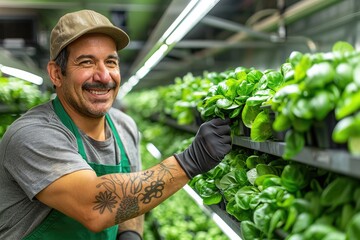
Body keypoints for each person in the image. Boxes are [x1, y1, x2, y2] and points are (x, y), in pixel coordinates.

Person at [0, 9, 232, 240]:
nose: (103, 76)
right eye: (86, 62)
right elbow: (93, 205)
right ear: (57, 74)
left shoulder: (125, 127)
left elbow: (132, 195)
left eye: (111, 62)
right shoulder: (31, 134)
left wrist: (130, 233)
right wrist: (189, 161)